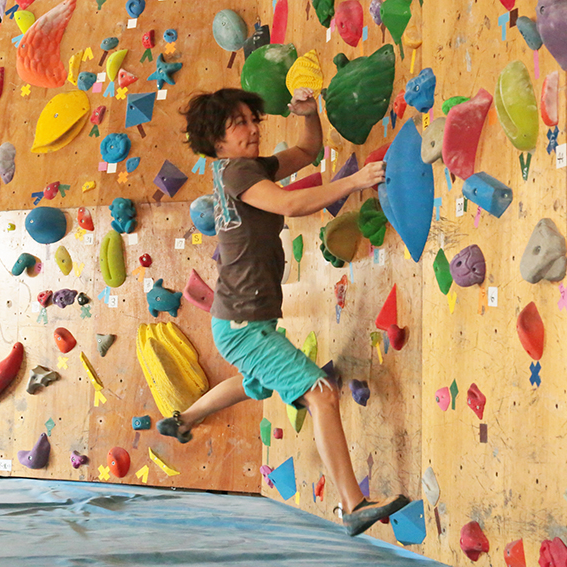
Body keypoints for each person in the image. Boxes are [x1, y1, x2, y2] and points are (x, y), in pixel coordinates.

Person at [159, 87, 408, 536]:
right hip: (241, 325)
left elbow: (307, 151)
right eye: (240, 123)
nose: (253, 129)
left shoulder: (246, 168)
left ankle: (186, 419)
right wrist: (355, 180)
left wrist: (310, 115)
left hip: (241, 320)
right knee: (321, 394)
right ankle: (352, 504)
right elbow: (291, 204)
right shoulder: (237, 172)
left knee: (255, 382)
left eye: (253, 120)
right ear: (217, 139)